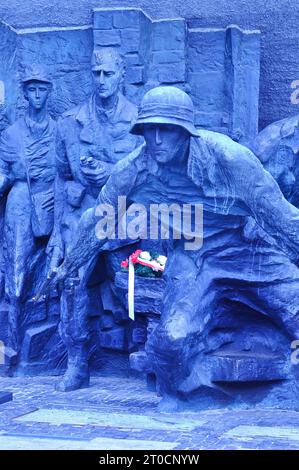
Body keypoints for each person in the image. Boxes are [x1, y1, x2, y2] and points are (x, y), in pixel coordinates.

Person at [49, 86, 299, 405]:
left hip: (250, 250)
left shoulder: (229, 157)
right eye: (148, 129)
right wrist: (69, 264)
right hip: (194, 257)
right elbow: (98, 220)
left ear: (185, 132)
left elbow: (283, 218)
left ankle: (246, 342)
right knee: (170, 342)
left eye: (165, 130)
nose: (155, 140)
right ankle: (193, 385)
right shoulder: (134, 169)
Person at [47, 47, 140, 391]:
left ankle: (149, 353)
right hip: (81, 219)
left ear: (121, 75)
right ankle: (76, 362)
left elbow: (150, 170)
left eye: (108, 74)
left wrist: (112, 173)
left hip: (125, 221)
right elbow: (60, 177)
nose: (101, 81)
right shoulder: (69, 123)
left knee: (134, 283)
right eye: (96, 74)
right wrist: (57, 231)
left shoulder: (138, 120)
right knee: (71, 286)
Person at [0, 65, 56, 355]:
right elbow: (3, 173)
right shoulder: (11, 134)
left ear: (49, 91)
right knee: (16, 269)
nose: (37, 95)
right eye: (31, 89)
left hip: (52, 201)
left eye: (42, 89)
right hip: (21, 203)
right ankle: (11, 343)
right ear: (24, 93)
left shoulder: (60, 129)